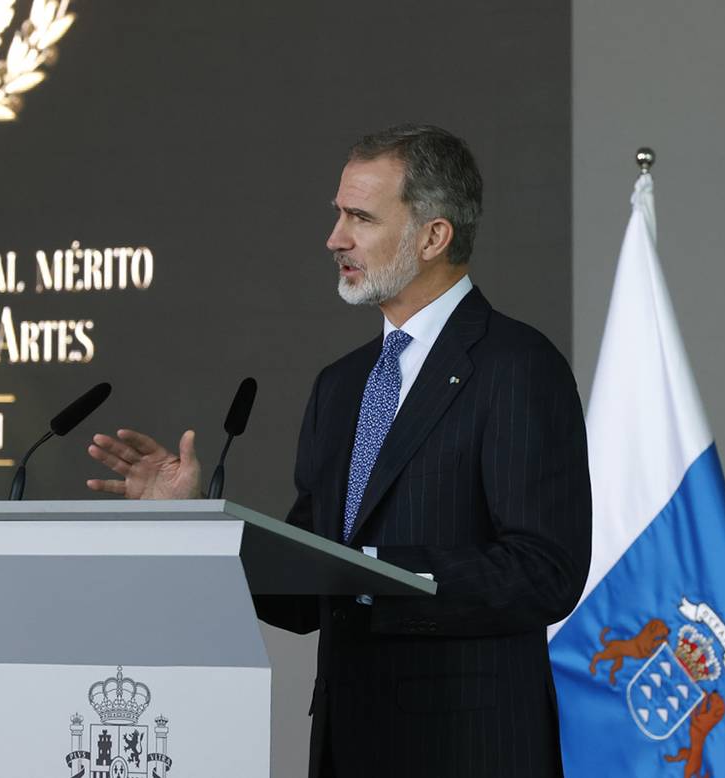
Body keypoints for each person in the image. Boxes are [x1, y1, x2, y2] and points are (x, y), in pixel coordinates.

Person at [86, 124, 591, 777]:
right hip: (347, 749)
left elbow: (543, 571)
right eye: (337, 215)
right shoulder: (342, 384)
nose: (335, 239)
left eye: (360, 217)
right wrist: (192, 527)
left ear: (434, 236)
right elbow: (306, 589)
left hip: (469, 752)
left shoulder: (517, 367)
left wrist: (376, 572)